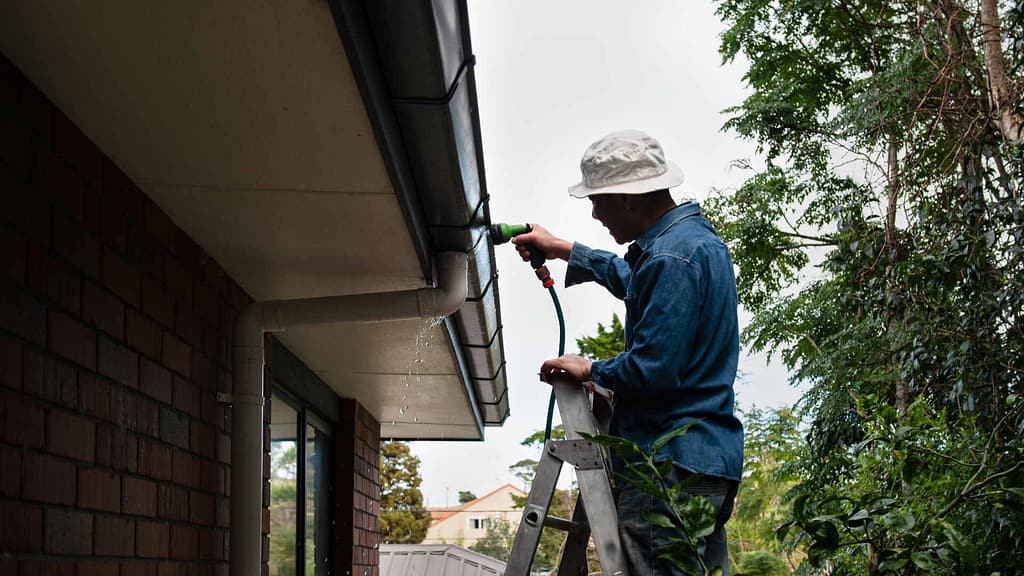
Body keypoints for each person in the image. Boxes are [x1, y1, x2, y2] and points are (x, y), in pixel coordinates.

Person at [512, 130, 743, 575]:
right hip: (705, 462)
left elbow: (652, 369)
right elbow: (637, 281)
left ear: (627, 199)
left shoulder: (669, 259)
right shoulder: (691, 243)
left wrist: (591, 369)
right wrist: (564, 249)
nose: (595, 214)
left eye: (597, 201)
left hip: (667, 465)